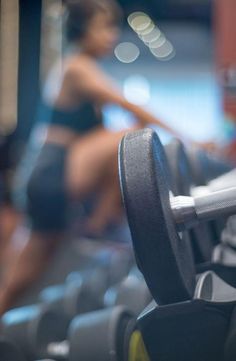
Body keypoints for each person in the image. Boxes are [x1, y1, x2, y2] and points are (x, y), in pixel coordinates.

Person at [0, 0, 188, 314]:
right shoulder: (76, 66)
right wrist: (190, 139)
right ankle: (102, 221)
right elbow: (132, 107)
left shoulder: (85, 68)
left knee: (23, 279)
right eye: (104, 28)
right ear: (81, 30)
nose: (112, 36)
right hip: (51, 172)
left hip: (53, 175)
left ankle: (102, 220)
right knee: (129, 138)